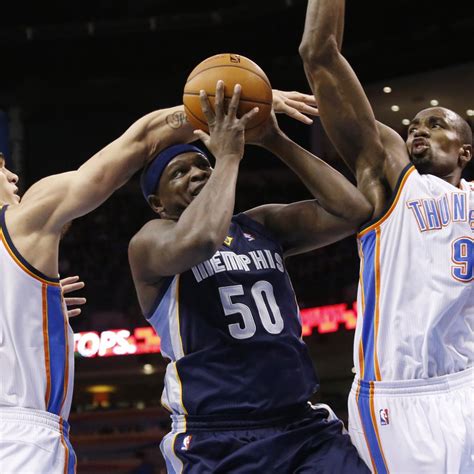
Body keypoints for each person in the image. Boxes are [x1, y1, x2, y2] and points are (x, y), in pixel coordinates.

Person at [0, 90, 326, 474]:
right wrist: (230, 103)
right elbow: (142, 141)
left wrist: (23, 311)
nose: (13, 175)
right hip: (19, 442)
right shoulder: (21, 221)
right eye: (1, 168)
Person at [128, 80, 372, 473]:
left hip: (301, 425)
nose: (197, 174)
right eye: (179, 173)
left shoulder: (260, 224)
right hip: (217, 436)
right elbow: (202, 239)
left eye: (202, 166)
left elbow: (352, 211)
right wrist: (227, 156)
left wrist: (276, 141)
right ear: (158, 203)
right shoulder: (150, 242)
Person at [299, 1, 473, 472]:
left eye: (436, 124)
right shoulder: (394, 182)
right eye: (413, 125)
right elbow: (318, 52)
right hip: (401, 396)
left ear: (465, 151)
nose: (418, 129)